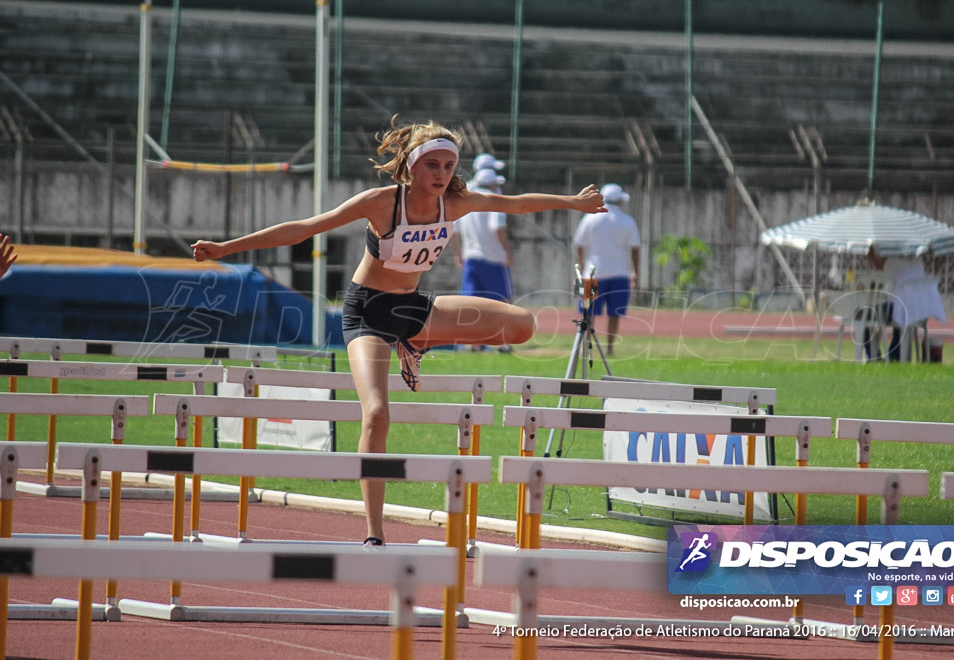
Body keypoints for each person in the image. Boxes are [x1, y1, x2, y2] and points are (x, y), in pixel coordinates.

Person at [191, 118, 605, 547]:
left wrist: (572, 202)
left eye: (448, 166)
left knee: (523, 326)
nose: (442, 175)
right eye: (432, 166)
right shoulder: (381, 203)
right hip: (367, 314)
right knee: (376, 414)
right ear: (410, 167)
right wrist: (225, 249)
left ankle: (417, 341)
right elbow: (305, 228)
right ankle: (374, 533)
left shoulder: (457, 203)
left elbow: (516, 204)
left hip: (413, 310)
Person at [572, 183, 641, 356]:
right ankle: (610, 348)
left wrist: (579, 269)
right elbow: (635, 248)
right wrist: (636, 273)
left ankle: (586, 348)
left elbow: (579, 244)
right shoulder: (628, 220)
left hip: (591, 272)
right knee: (614, 314)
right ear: (619, 201)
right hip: (619, 272)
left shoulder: (589, 218)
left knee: (588, 313)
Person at [451, 167, 515, 352]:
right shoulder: (494, 200)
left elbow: (454, 230)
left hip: (471, 258)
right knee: (503, 302)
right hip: (494, 259)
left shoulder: (466, 200)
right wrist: (508, 253)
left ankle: (474, 343)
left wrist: (458, 253)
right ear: (493, 183)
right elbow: (498, 228)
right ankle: (504, 342)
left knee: (472, 303)